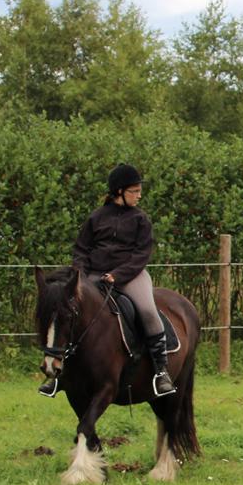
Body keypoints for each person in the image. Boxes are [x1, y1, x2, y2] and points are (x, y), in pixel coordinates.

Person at [48, 163, 176, 397]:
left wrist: (118, 275)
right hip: (94, 275)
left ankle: (161, 371)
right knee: (71, 312)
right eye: (134, 191)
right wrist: (81, 276)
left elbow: (141, 255)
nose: (139, 195)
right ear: (119, 191)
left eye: (139, 191)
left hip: (131, 275)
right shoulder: (96, 217)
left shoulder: (141, 219)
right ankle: (61, 374)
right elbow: (81, 249)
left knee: (148, 311)